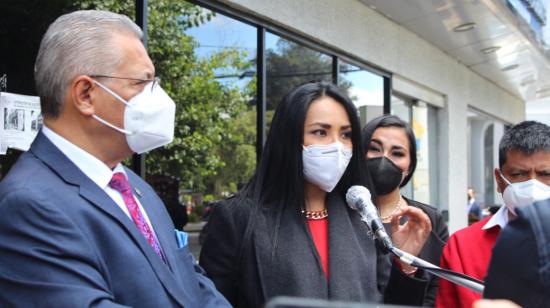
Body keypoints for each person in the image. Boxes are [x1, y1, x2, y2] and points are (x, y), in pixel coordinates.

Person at [0, 10, 229, 307]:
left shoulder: (132, 186)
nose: (157, 98)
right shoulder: (28, 205)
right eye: (141, 83)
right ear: (85, 94)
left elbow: (194, 282)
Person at [200, 81, 432, 308]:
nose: (337, 146)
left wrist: (405, 265)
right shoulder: (237, 218)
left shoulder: (362, 216)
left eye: (346, 134)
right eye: (320, 132)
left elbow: (389, 302)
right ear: (288, 137)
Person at [436, 120, 550, 308]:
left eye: (545, 174)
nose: (533, 185)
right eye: (518, 174)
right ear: (499, 179)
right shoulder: (462, 246)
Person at [362, 114, 449, 306]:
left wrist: (407, 266)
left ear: (409, 167)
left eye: (398, 153)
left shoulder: (427, 220)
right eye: (374, 149)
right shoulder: (337, 213)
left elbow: (437, 293)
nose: (384, 159)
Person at [483, 198, 550, 307]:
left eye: (545, 179)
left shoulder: (534, 223)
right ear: (499, 182)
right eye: (517, 178)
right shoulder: (462, 241)